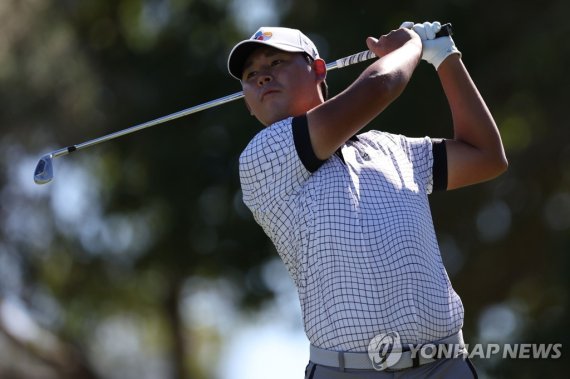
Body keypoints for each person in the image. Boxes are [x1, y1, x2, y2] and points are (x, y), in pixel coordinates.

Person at [227, 21, 507, 378]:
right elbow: (381, 85)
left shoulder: (392, 148)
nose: (262, 77)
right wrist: (412, 47)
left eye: (275, 63)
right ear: (249, 105)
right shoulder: (263, 158)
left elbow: (486, 156)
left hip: (445, 366)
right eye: (251, 75)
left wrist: (446, 57)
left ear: (317, 70)